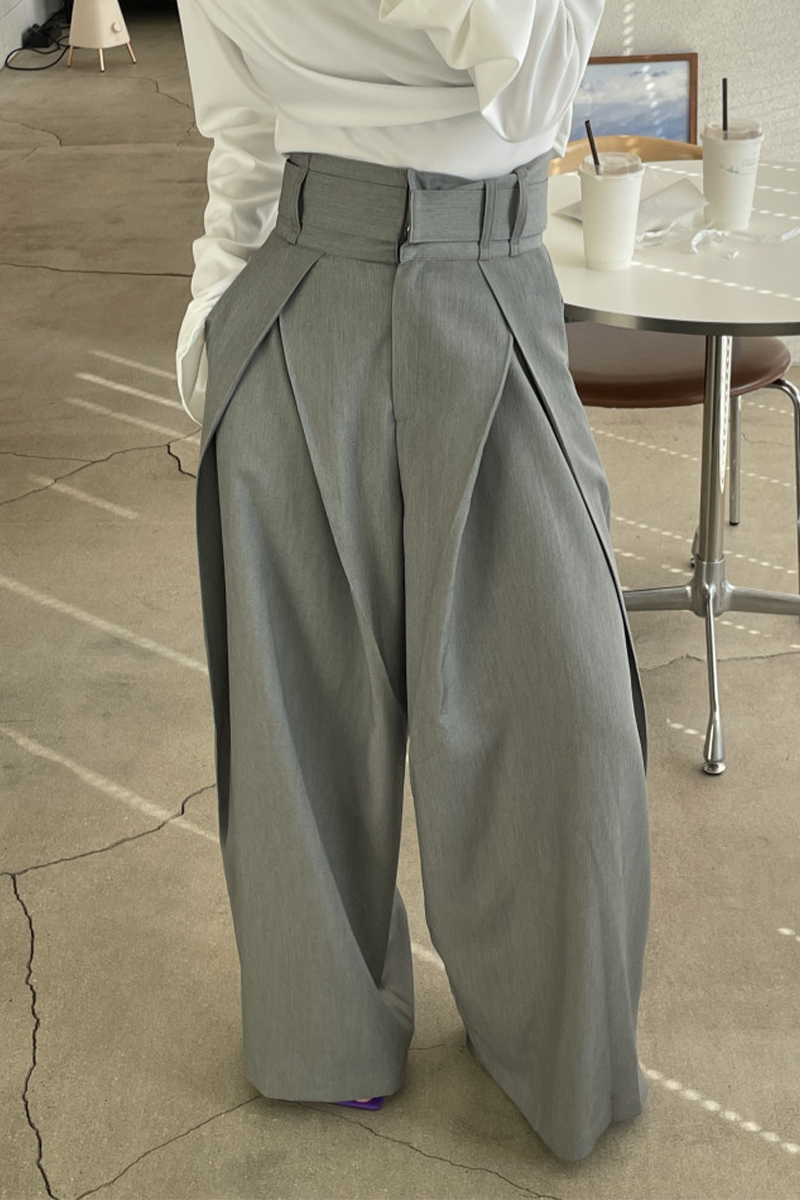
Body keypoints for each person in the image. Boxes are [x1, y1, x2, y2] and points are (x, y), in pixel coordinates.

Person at [175, 0, 651, 1163]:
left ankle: (549, 1038)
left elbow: (528, 87)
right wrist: (208, 316)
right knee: (299, 726)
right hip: (294, 285)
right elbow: (239, 124)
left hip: (491, 276)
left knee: (566, 719)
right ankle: (319, 1034)